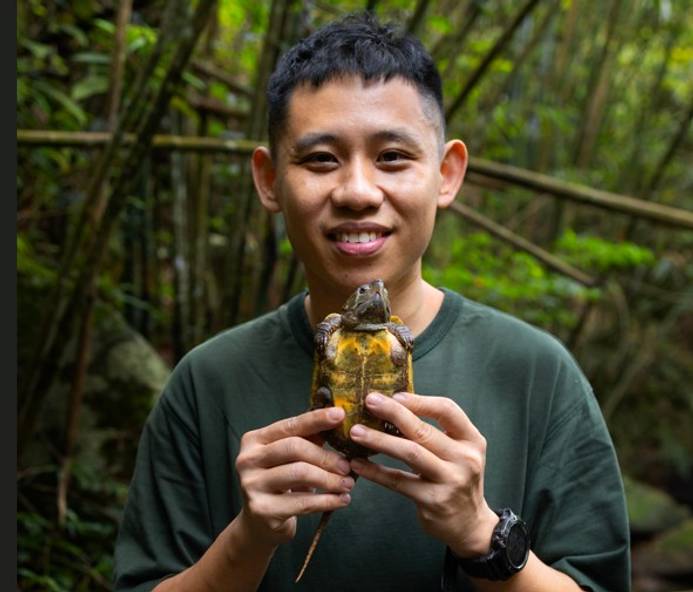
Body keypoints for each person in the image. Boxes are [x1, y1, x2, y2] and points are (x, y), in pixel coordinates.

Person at [113, 12, 630, 592]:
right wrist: (249, 536)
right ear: (268, 180)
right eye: (320, 159)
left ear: (446, 174)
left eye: (392, 157)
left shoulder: (537, 373)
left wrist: (481, 534)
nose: (358, 192)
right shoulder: (207, 381)